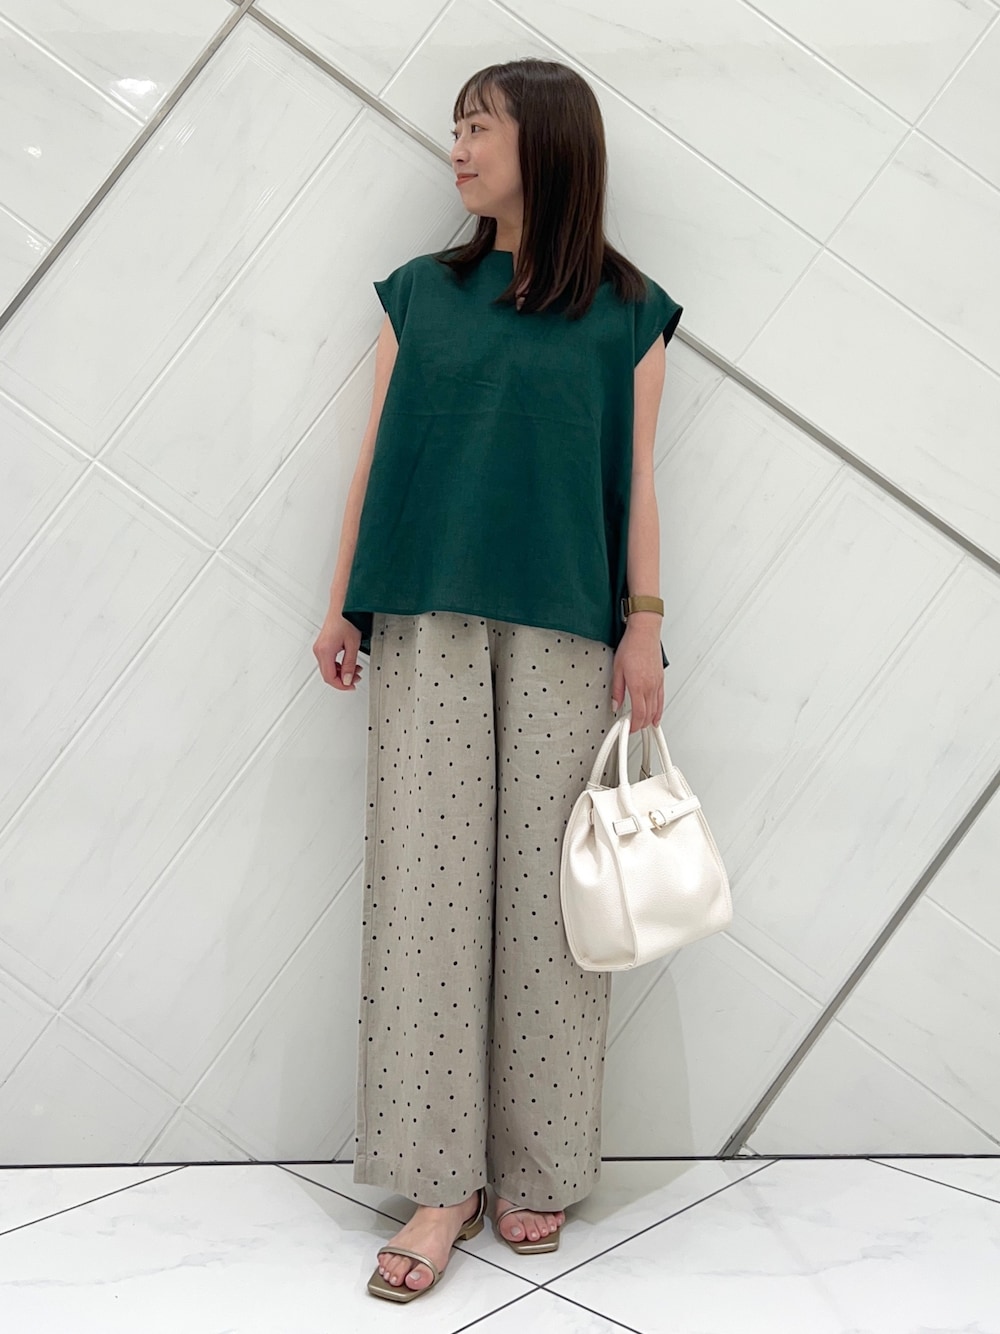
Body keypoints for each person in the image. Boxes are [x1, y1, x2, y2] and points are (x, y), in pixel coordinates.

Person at [311, 57, 683, 1304]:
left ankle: (540, 1163)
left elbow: (638, 483)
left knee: (548, 911)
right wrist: (341, 600)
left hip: (571, 630)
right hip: (426, 616)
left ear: (549, 144)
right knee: (425, 898)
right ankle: (438, 1182)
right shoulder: (422, 293)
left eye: (479, 128)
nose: (458, 148)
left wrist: (645, 624)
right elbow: (375, 454)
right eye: (456, 127)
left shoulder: (630, 312)